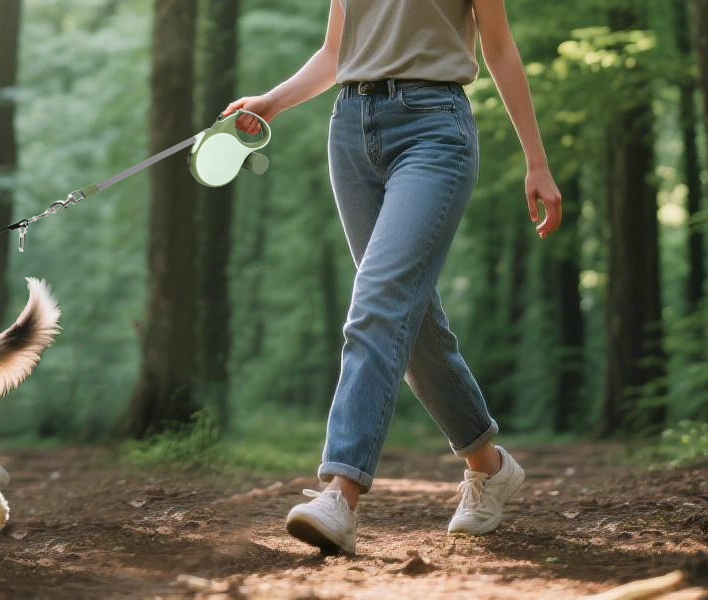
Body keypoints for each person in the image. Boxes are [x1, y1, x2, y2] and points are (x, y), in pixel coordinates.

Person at [225, 0, 564, 554]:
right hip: (351, 132)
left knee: (378, 303)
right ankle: (490, 466)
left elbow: (498, 47)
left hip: (435, 130)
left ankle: (340, 492)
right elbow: (336, 54)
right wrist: (272, 102)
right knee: (410, 318)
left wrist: (537, 162)